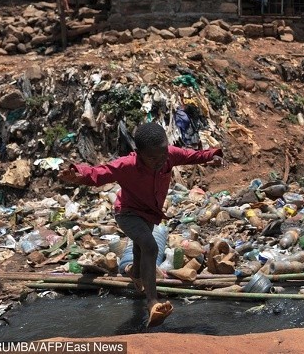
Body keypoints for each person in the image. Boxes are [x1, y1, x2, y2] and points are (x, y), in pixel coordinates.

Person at [59, 122, 223, 328]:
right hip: (127, 213)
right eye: (153, 158)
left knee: (140, 246)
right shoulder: (128, 165)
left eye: (163, 155)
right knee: (150, 246)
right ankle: (152, 302)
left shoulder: (168, 155)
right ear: (138, 153)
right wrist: (78, 175)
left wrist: (212, 156)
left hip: (148, 213)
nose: (160, 161)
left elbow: (192, 155)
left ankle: (135, 274)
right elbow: (100, 173)